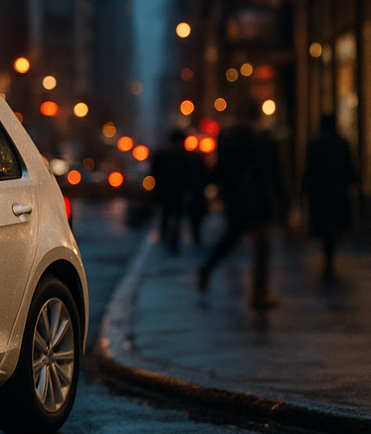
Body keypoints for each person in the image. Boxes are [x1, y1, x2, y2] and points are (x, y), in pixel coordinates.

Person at [198, 99, 285, 307]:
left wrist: (226, 196)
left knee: (233, 240)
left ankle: (209, 268)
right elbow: (272, 171)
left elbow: (224, 171)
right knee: (261, 247)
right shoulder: (259, 139)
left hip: (241, 201)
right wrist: (281, 197)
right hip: (255, 199)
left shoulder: (231, 138)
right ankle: (259, 293)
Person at [303, 114, 357, 280]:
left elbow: (309, 170)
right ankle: (329, 258)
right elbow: (349, 169)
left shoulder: (316, 144)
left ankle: (328, 258)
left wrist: (304, 190)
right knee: (332, 227)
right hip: (335, 192)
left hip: (321, 193)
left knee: (325, 225)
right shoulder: (341, 144)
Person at [150, 130, 190, 253]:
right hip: (172, 193)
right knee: (170, 217)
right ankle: (169, 241)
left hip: (172, 193)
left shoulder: (164, 156)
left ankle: (169, 241)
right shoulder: (183, 157)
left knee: (170, 217)